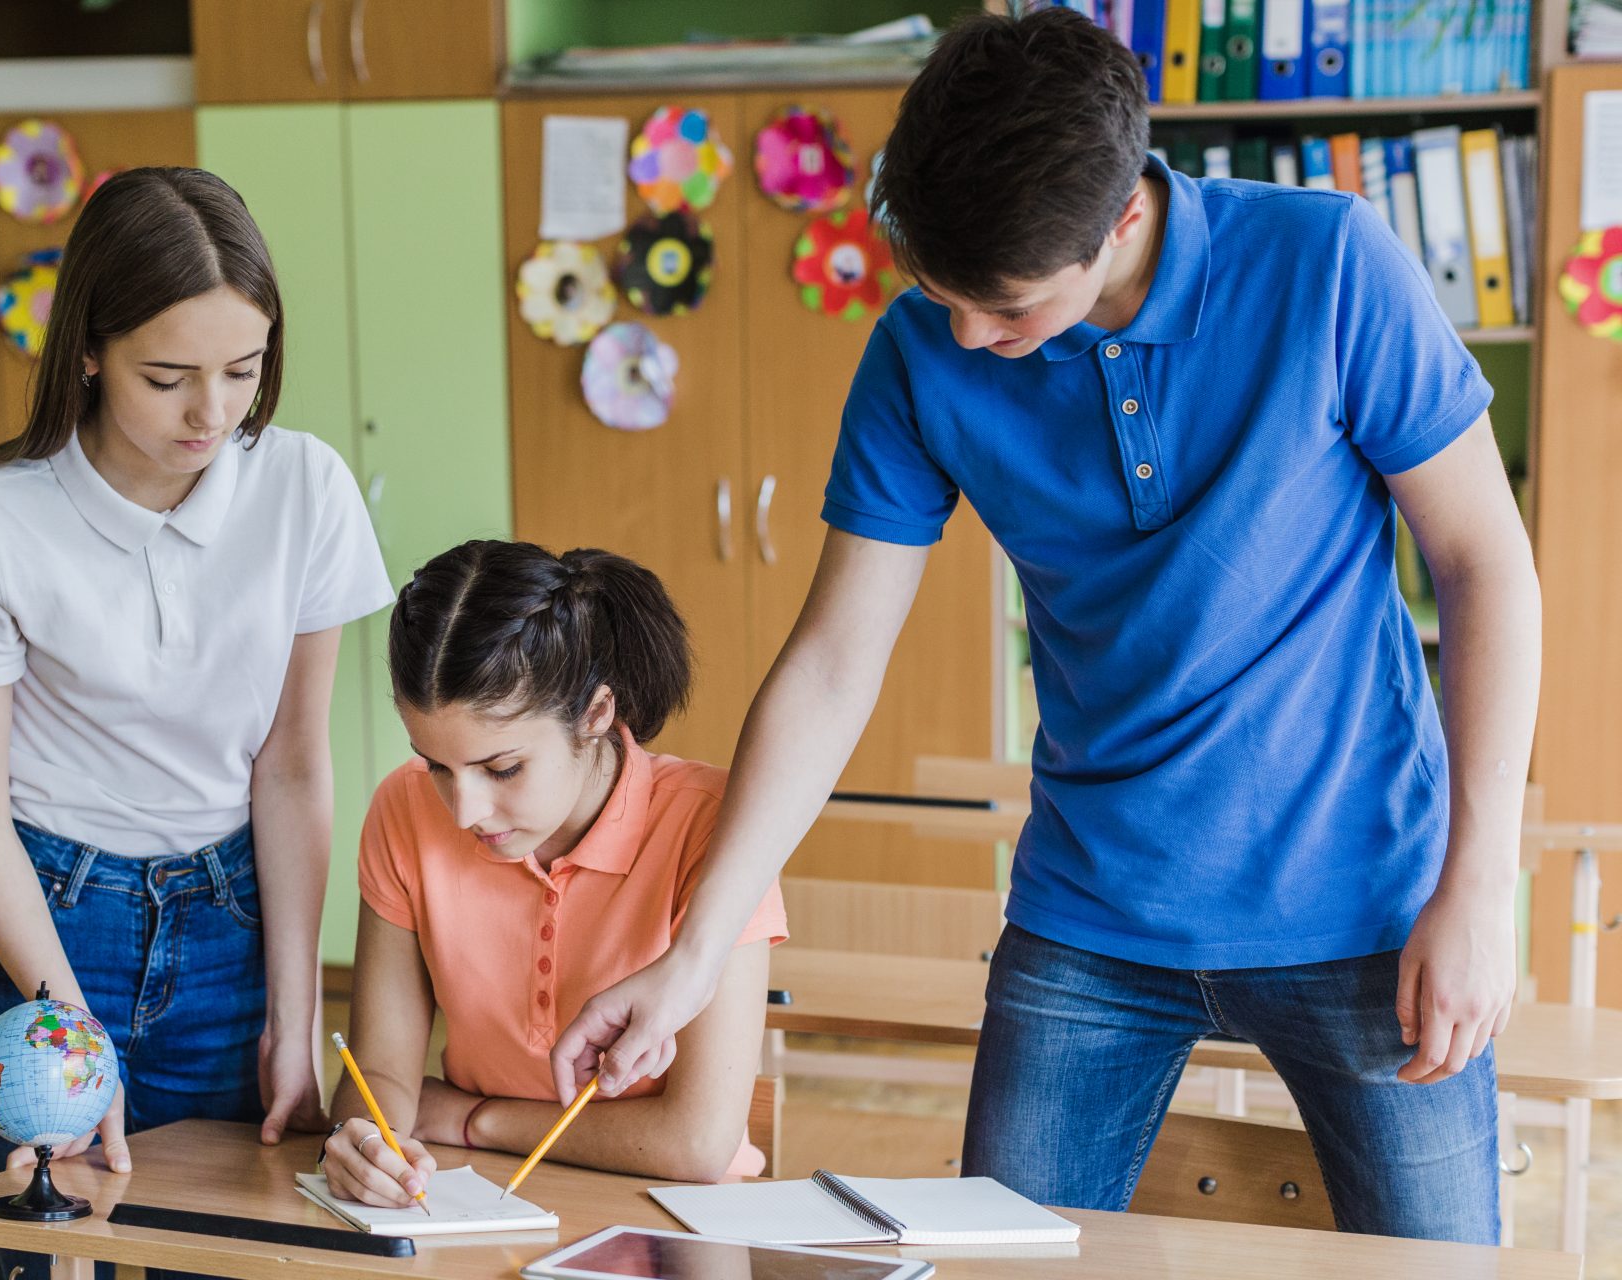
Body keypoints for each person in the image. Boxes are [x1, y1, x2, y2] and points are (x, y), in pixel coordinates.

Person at [552, 11, 1540, 1244]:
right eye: (943, 295)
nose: (969, 336)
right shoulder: (922, 349)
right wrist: (695, 952)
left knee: (1440, 1273)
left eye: (1006, 305)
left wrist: (1480, 885)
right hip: (1091, 913)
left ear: (1123, 216)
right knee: (985, 1264)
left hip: (1367, 906)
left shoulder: (1331, 264)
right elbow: (832, 662)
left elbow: (1485, 565)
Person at [0, 167, 393, 1279]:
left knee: (230, 1257)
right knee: (60, 1266)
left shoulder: (304, 487)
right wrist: (70, 1042)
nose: (213, 413)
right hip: (45, 933)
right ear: (90, 351)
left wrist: (295, 1011)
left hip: (234, 927)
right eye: (169, 377)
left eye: (243, 371)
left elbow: (295, 768)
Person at [319, 540, 786, 1209]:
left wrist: (471, 1118)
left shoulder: (715, 826)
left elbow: (697, 1143)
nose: (463, 811)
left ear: (595, 714)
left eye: (502, 768)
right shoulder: (404, 809)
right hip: (471, 1201)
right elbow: (384, 1078)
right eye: (436, 766)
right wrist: (366, 1143)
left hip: (670, 1214)